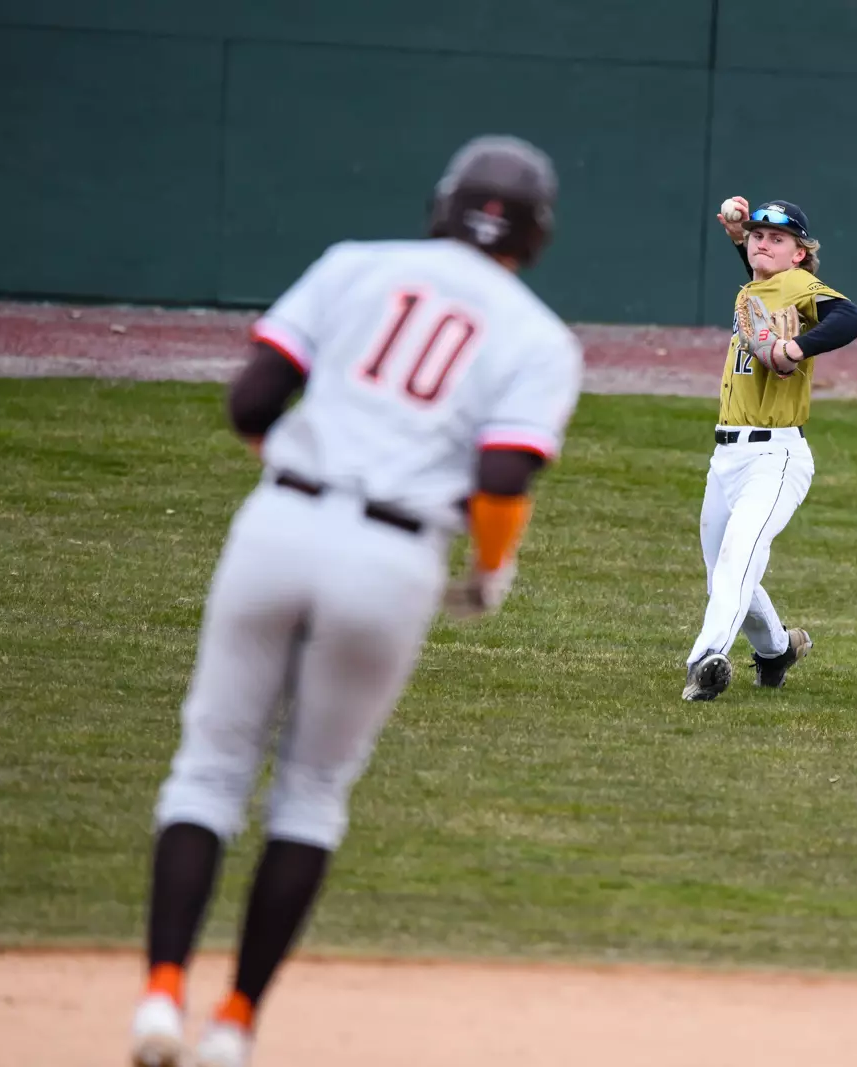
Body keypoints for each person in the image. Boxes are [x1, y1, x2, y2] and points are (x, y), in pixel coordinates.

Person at [128, 134, 582, 1067]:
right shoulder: (540, 337)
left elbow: (251, 402)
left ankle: (161, 997)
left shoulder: (354, 265)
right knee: (311, 791)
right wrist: (490, 570)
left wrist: (309, 472)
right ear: (536, 235)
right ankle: (234, 1024)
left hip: (279, 524)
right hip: (392, 557)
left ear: (443, 204)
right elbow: (502, 475)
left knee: (208, 770)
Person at [681, 197, 857, 701]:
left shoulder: (798, 284)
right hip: (726, 459)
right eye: (758, 236)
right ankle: (777, 650)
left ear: (799, 254)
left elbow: (851, 317)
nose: (763, 244)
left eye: (777, 239)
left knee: (739, 557)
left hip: (774, 459)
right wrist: (741, 238)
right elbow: (764, 274)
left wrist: (795, 348)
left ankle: (706, 660)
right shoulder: (758, 288)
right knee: (724, 575)